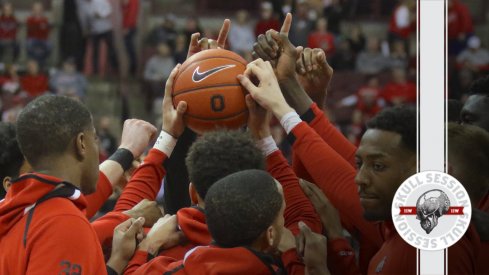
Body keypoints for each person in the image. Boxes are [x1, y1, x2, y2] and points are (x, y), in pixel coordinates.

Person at [249, 15, 481, 273]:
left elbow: (339, 180)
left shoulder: (435, 237)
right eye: (362, 165)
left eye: (378, 166)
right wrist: (295, 92)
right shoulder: (403, 221)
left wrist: (281, 108)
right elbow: (328, 178)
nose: (359, 178)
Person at [77, 0, 118, 75]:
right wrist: (85, 29)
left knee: (112, 49)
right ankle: (95, 71)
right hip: (95, 30)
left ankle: (113, 69)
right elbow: (85, 19)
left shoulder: (101, 1)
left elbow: (109, 11)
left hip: (106, 29)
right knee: (95, 51)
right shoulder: (84, 6)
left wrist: (100, 15)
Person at [143, 42, 175, 113]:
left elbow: (173, 73)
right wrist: (154, 77)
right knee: (156, 85)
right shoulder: (152, 61)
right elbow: (146, 74)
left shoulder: (170, 61)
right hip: (155, 83)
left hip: (167, 82)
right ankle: (157, 106)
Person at [26, 2, 52, 67]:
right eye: (35, 10)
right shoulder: (30, 19)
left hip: (43, 39)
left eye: (39, 10)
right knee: (29, 45)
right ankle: (32, 62)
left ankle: (43, 61)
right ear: (33, 10)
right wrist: (39, 25)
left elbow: (46, 31)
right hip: (33, 39)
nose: (37, 11)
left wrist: (40, 25)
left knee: (49, 45)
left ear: (42, 11)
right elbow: (31, 30)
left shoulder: (45, 20)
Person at [121, 0, 139, 75]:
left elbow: (132, 13)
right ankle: (132, 69)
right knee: (129, 49)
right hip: (127, 26)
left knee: (130, 49)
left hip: (129, 27)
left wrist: (127, 27)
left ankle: (133, 69)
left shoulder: (134, 1)